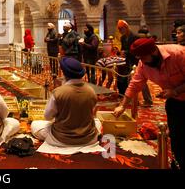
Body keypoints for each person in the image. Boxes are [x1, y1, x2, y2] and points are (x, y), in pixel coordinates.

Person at [113, 38, 185, 169]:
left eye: (143, 57)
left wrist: (175, 91)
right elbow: (135, 84)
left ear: (153, 52)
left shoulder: (178, 54)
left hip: (177, 94)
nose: (142, 61)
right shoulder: (143, 64)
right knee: (176, 135)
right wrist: (123, 105)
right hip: (175, 102)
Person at [31, 57, 102, 147]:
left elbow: (48, 117)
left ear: (64, 73)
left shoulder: (59, 92)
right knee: (97, 122)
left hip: (62, 138)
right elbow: (91, 113)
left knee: (35, 124)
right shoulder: (91, 91)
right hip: (88, 138)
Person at [117, 20, 153, 107]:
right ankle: (133, 100)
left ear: (126, 27)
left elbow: (137, 50)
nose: (121, 31)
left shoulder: (135, 37)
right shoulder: (122, 38)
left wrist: (127, 52)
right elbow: (123, 48)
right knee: (131, 81)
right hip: (128, 61)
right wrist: (120, 52)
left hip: (137, 61)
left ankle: (148, 100)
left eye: (122, 29)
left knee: (141, 81)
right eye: (119, 29)